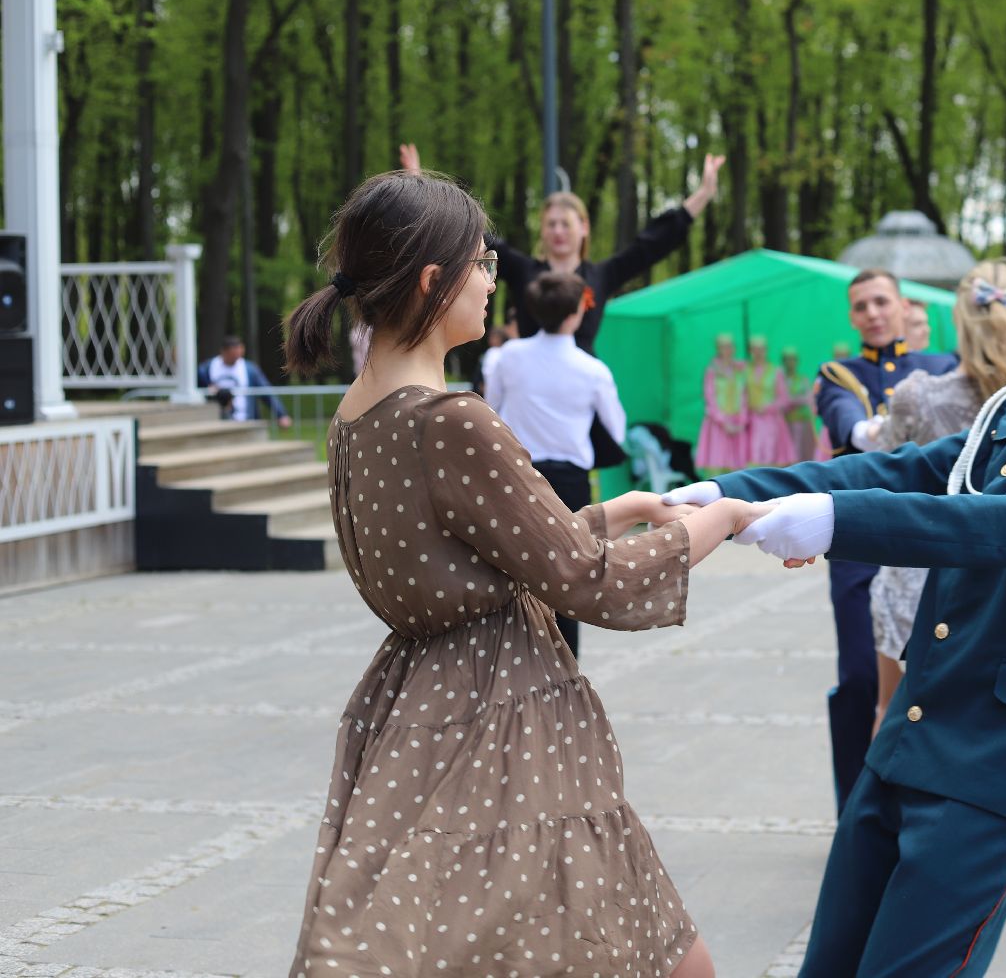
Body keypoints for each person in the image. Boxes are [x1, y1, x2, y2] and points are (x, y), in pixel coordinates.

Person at [665, 201, 1006, 977]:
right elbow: (902, 469)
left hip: (1002, 759)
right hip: (912, 733)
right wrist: (734, 489)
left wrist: (828, 523)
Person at [281, 169, 761, 975]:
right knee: (660, 961)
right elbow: (590, 583)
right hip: (502, 712)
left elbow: (469, 561)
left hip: (417, 704)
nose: (494, 281)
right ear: (433, 282)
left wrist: (616, 509)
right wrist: (725, 517)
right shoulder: (452, 420)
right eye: (483, 264)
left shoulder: (356, 412)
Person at [778, 269, 956, 813]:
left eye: (882, 302)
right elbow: (848, 424)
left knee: (941, 673)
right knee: (859, 676)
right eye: (861, 307)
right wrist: (878, 432)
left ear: (904, 307)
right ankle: (858, 808)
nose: (873, 314)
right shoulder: (839, 373)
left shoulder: (944, 368)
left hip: (930, 538)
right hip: (857, 537)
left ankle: (933, 801)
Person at [868, 261, 1006, 733]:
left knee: (892, 713)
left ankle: (877, 807)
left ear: (958, 321)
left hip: (918, 574)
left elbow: (887, 465)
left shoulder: (920, 395)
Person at [399, 142, 724, 349]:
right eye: (550, 224)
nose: (558, 231)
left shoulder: (601, 275)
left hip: (579, 395)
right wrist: (421, 187)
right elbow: (473, 231)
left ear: (583, 227)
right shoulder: (526, 270)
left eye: (565, 223)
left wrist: (702, 196)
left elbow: (652, 244)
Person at [487, 271, 630, 660]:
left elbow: (493, 410)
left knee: (514, 571)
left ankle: (513, 660)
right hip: (569, 483)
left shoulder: (508, 357)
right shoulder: (592, 370)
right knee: (568, 576)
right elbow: (617, 428)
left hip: (517, 474)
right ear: (575, 314)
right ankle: (565, 665)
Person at [200, 335, 291, 429]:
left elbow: (266, 391)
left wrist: (281, 414)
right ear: (224, 352)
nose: (237, 358)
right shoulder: (207, 369)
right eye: (233, 355)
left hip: (246, 421)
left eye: (239, 354)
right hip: (217, 422)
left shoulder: (250, 369)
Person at [696, 333, 749, 474]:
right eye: (724, 346)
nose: (728, 350)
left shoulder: (739, 369)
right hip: (718, 425)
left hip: (737, 425)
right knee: (716, 465)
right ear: (718, 348)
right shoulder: (712, 370)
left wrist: (742, 420)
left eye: (730, 346)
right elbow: (710, 399)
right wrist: (724, 422)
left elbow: (744, 395)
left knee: (737, 468)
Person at [744, 335, 797, 467]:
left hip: (771, 421)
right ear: (750, 350)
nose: (758, 352)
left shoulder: (775, 371)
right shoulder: (745, 370)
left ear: (766, 350)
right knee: (751, 457)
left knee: (770, 455)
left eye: (761, 349)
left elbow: (784, 399)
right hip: (751, 420)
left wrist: (767, 407)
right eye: (755, 349)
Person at [780, 347, 821, 462]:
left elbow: (808, 399)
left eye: (793, 359)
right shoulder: (780, 379)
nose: (790, 362)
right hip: (785, 424)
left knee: (804, 453)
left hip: (803, 423)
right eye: (787, 359)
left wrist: (792, 400)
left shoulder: (802, 379)